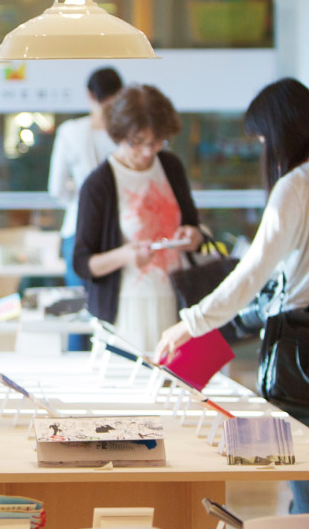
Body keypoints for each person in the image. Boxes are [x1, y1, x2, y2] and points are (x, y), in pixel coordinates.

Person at [156, 78, 309, 514]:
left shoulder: (297, 185)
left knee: (305, 479)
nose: (264, 148)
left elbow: (251, 273)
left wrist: (191, 323)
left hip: (302, 349)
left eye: (263, 137)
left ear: (281, 131)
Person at [73, 84, 203, 354]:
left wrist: (194, 236)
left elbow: (193, 226)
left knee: (177, 388)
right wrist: (124, 256)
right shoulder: (99, 185)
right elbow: (82, 262)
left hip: (177, 300)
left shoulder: (170, 166)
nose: (147, 152)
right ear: (119, 135)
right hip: (127, 309)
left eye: (156, 142)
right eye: (137, 142)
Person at [48, 67, 123, 351]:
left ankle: (76, 381)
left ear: (89, 94)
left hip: (77, 229)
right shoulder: (124, 134)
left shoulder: (70, 132)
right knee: (113, 312)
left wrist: (80, 199)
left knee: (77, 311)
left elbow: (56, 189)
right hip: (117, 233)